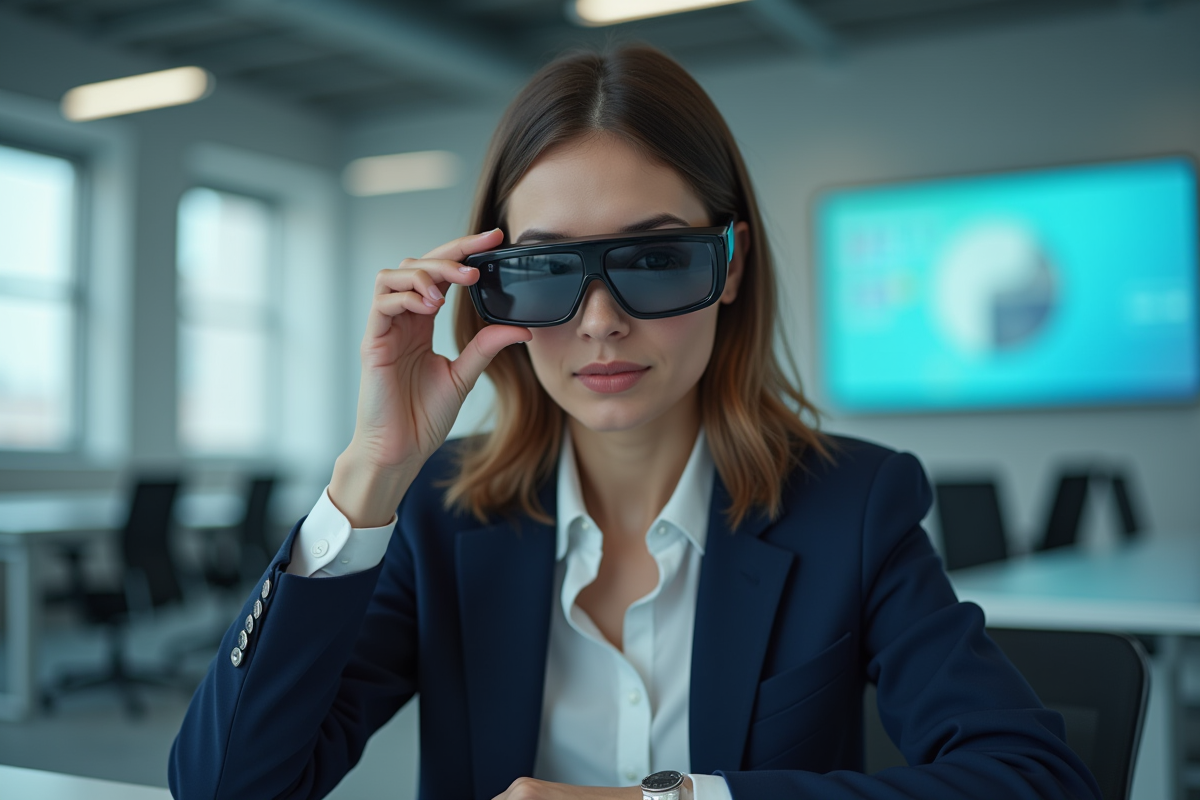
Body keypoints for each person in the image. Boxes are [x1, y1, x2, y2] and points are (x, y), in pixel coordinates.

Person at [168, 45, 1100, 800]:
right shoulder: (438, 512)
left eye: (655, 259)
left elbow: (1034, 779)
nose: (601, 321)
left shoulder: (850, 506)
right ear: (494, 289)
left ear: (730, 265)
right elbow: (227, 789)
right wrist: (371, 472)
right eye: (547, 271)